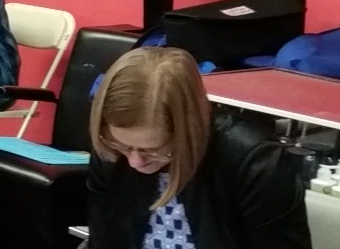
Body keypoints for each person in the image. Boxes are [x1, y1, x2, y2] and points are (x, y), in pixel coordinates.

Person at [87, 47, 310, 249]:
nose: (135, 162)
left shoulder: (256, 165)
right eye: (125, 147)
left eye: (151, 150)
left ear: (188, 128)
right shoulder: (112, 152)